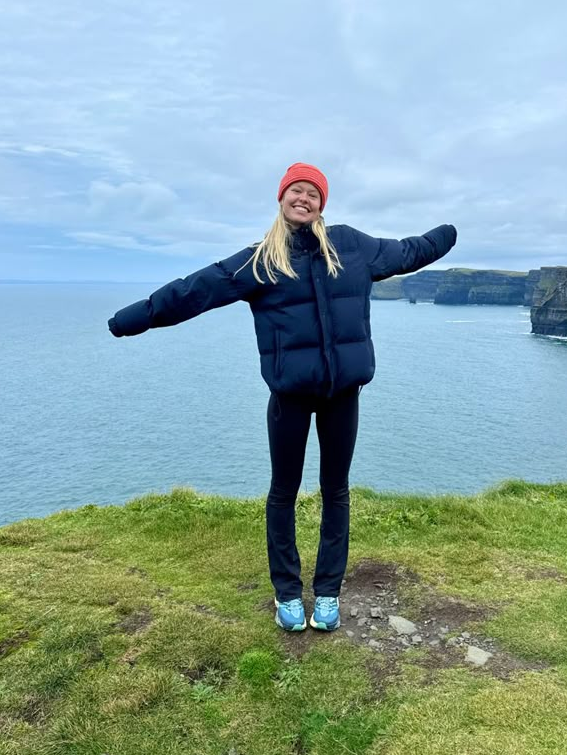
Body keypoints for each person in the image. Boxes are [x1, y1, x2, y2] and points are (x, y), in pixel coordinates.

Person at [108, 163, 457, 632]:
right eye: (296, 190)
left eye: (313, 193)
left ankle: (328, 593)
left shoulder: (351, 247)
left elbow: (409, 251)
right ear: (282, 198)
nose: (304, 198)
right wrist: (136, 317)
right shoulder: (260, 260)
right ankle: (288, 594)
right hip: (289, 398)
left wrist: (448, 233)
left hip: (342, 397)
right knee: (284, 492)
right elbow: (194, 291)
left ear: (322, 204)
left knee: (336, 491)